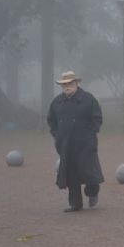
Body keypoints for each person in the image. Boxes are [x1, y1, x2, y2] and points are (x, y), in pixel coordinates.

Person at [47, 71, 104, 212]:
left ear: (76, 83)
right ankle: (75, 203)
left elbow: (97, 118)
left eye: (70, 83)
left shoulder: (88, 99)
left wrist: (91, 133)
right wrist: (57, 135)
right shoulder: (56, 102)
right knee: (71, 174)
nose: (67, 86)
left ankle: (92, 192)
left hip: (86, 143)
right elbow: (51, 121)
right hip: (66, 144)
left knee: (89, 171)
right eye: (64, 84)